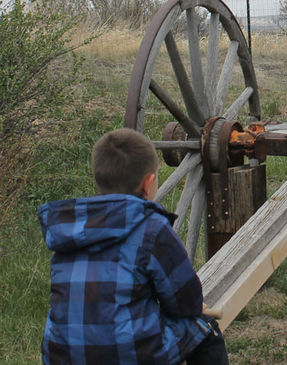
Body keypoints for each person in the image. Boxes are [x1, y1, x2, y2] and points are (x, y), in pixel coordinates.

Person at [38, 128, 229, 365]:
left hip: (62, 356)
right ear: (148, 184)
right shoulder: (151, 228)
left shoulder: (69, 230)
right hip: (129, 355)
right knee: (205, 330)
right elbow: (185, 300)